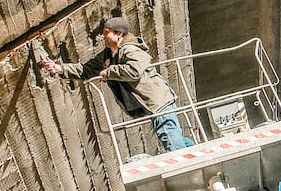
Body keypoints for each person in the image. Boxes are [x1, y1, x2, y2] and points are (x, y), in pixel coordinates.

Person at [41, 17, 193, 152]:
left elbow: (134, 70)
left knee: (168, 136)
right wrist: (59, 68)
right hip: (152, 103)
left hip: (157, 101)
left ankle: (188, 166)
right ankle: (194, 150)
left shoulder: (130, 49)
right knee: (173, 135)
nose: (103, 36)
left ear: (118, 34)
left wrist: (108, 72)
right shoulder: (108, 55)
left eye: (106, 32)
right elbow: (85, 70)